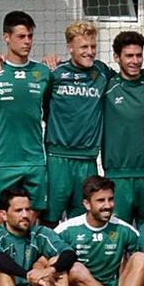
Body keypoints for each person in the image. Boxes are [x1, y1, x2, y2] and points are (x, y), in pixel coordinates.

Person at [0, 12, 52, 228]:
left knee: (31, 219)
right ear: (6, 37)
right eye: (21, 36)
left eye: (29, 36)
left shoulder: (43, 73)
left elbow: (48, 112)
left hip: (35, 160)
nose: (27, 41)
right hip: (1, 160)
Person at [43, 21, 115, 225]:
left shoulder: (102, 72)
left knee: (82, 220)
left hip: (88, 159)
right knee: (50, 219)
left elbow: (127, 79)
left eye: (93, 47)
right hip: (58, 157)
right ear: (70, 48)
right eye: (84, 47)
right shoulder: (55, 73)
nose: (90, 52)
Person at [103, 31, 144, 226]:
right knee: (119, 236)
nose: (135, 61)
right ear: (117, 58)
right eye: (129, 56)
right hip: (118, 175)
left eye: (139, 55)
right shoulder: (106, 85)